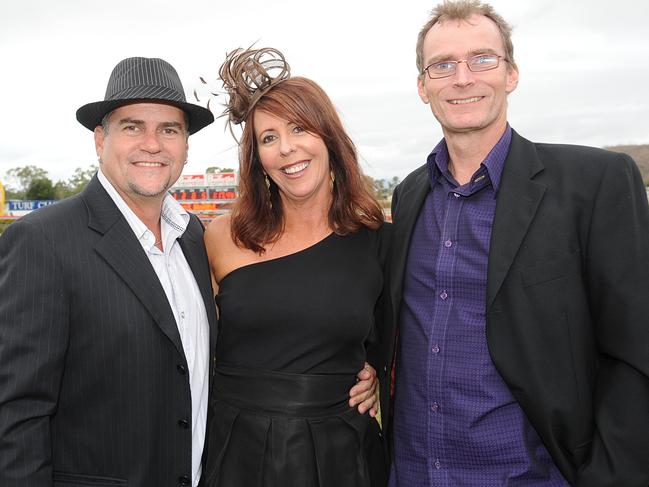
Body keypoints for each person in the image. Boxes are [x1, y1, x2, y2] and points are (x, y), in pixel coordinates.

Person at [379, 2, 649, 486]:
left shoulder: (594, 183)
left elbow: (635, 352)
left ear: (512, 74)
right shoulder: (410, 193)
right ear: (423, 86)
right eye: (442, 65)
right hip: (413, 472)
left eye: (482, 59)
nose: (462, 78)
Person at [0, 57, 218, 486]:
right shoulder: (42, 242)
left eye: (169, 129)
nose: (152, 144)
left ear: (186, 145)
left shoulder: (194, 237)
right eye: (132, 126)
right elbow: (16, 413)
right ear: (100, 139)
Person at [202, 47, 389, 487]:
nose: (286, 149)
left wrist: (379, 372)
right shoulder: (220, 238)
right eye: (268, 138)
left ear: (329, 138)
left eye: (300, 128)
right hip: (235, 450)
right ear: (257, 160)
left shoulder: (379, 239)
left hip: (343, 455)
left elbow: (398, 332)